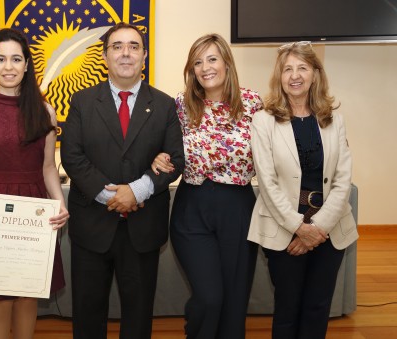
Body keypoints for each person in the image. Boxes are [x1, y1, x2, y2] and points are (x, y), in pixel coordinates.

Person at [60, 22, 184, 339]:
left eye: (133, 46)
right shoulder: (81, 101)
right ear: (104, 56)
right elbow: (72, 158)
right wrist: (112, 196)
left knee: (138, 318)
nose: (125, 53)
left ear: (144, 56)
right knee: (87, 317)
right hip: (92, 226)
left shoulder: (165, 105)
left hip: (142, 228)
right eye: (117, 46)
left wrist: (137, 191)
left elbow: (175, 160)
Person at [0, 28, 68, 339]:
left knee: (28, 294)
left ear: (27, 65)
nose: (8, 66)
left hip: (33, 213)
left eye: (16, 59)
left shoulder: (45, 111)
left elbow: (48, 167)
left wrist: (60, 202)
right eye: (1, 59)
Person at [151, 33, 263, 338]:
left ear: (226, 62)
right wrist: (159, 157)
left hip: (238, 208)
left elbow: (274, 153)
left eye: (212, 59)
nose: (205, 67)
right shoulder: (180, 106)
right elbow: (165, 150)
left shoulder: (253, 103)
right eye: (197, 62)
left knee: (234, 299)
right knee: (209, 297)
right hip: (192, 209)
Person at [248, 41, 358, 339]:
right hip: (284, 227)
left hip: (329, 229)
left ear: (314, 74)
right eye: (287, 69)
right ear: (279, 77)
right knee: (287, 307)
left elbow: (342, 180)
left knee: (317, 306)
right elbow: (267, 183)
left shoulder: (335, 119)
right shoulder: (263, 120)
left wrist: (316, 229)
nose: (295, 75)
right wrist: (299, 227)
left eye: (302, 68)